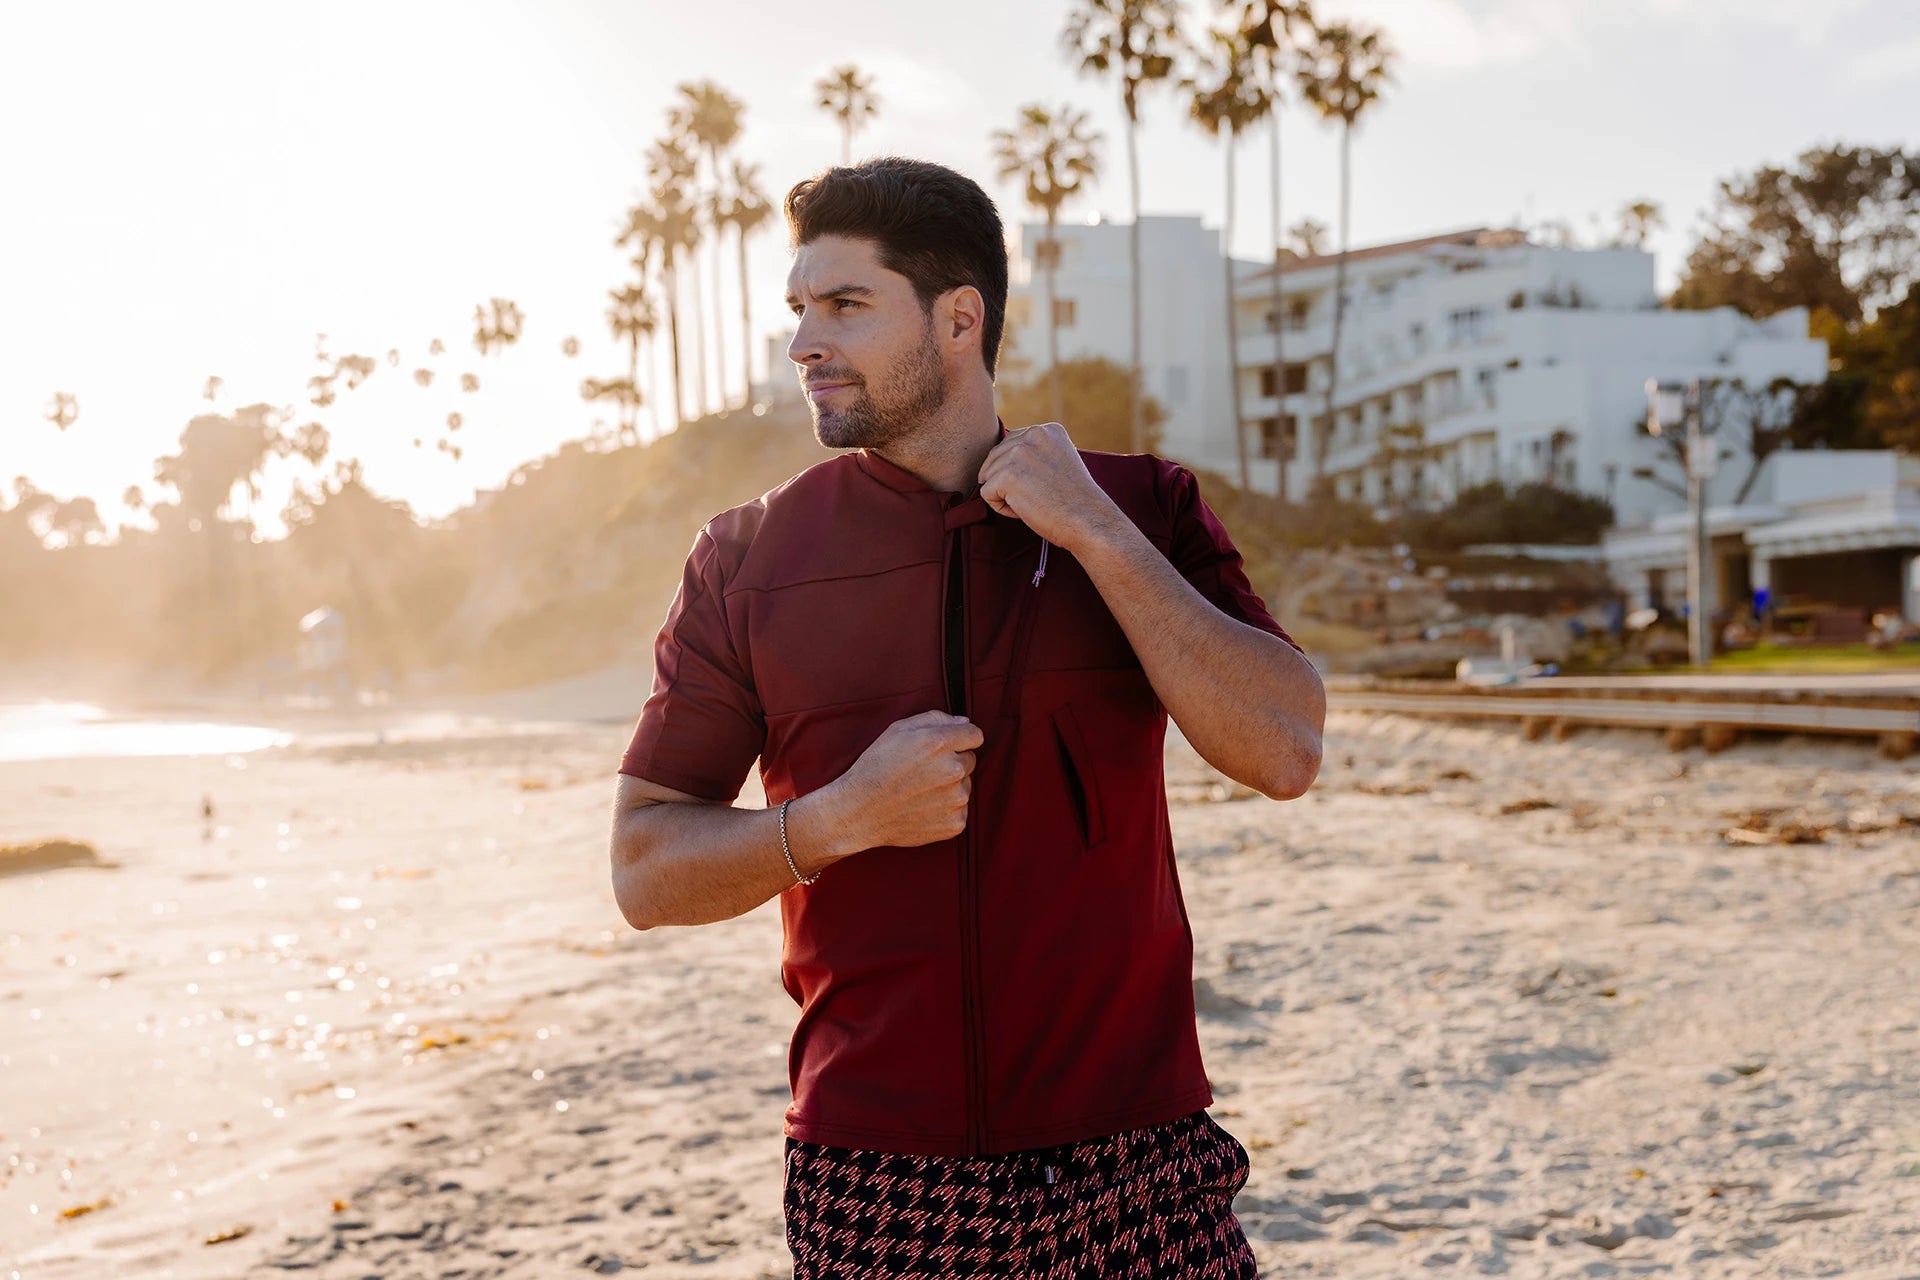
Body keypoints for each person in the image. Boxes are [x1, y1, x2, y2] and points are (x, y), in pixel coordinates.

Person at [610, 157, 1325, 1278]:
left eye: (845, 304)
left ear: (959, 318)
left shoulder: (1141, 507)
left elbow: (1284, 748)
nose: (805, 340)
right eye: (799, 307)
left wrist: (1093, 532)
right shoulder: (747, 558)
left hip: (1139, 1159)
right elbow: (646, 866)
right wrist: (835, 820)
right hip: (876, 1169)